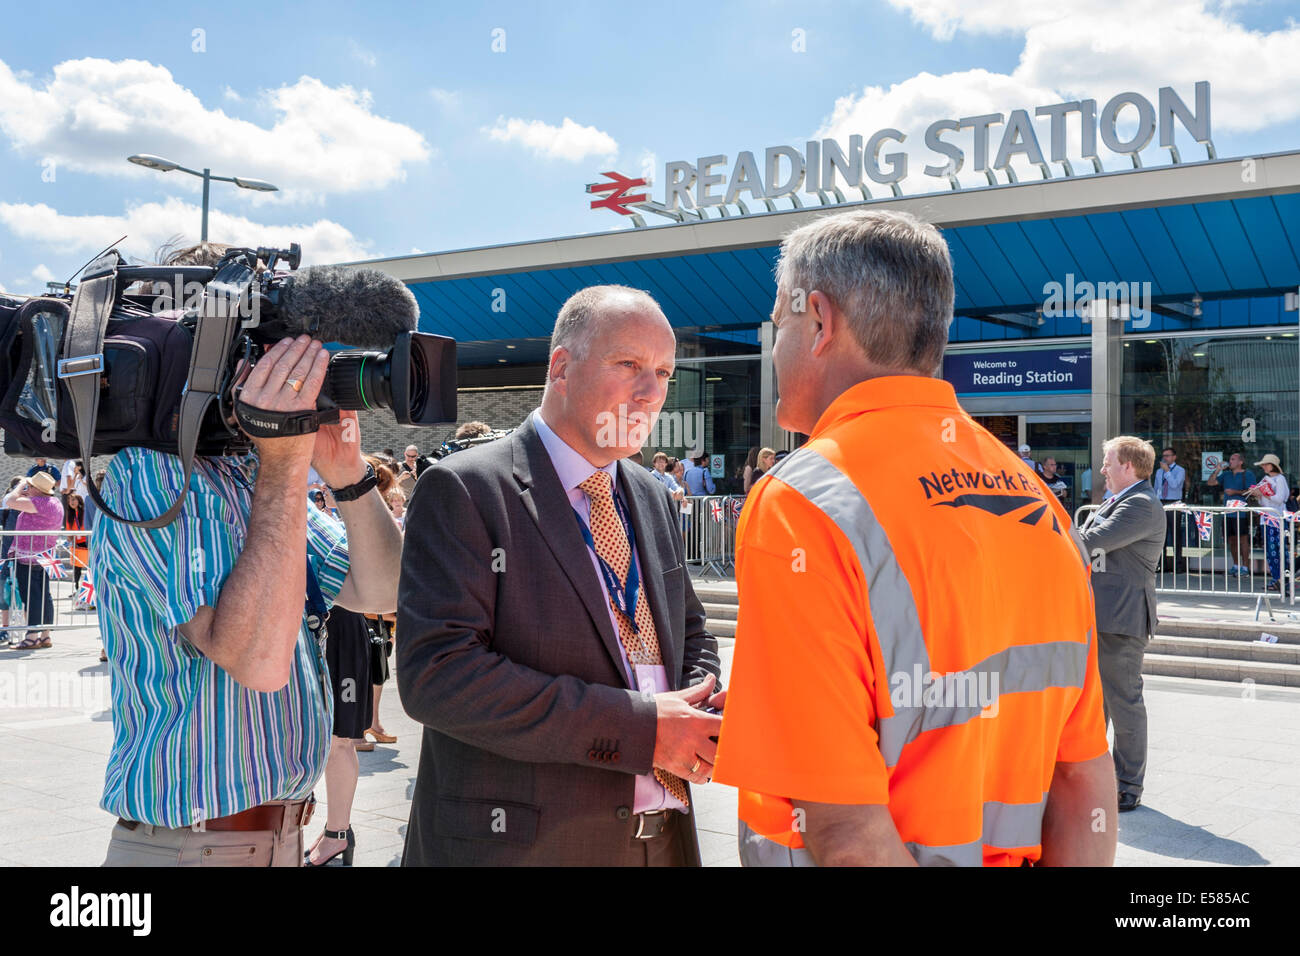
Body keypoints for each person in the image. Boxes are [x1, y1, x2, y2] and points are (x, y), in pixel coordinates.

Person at [712, 208, 1114, 867]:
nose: (773, 343)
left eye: (777, 323)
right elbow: (1081, 776)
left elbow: (843, 831)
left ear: (818, 320)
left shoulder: (805, 499)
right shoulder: (1037, 500)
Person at [93, 240, 402, 868]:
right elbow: (258, 661)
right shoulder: (150, 478)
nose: (279, 369)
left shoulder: (250, 477)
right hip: (194, 845)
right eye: (255, 350)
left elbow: (383, 591)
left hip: (277, 837)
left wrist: (348, 476)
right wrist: (285, 461)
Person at [398, 284, 723, 866]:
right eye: (629, 365)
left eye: (665, 374)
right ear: (561, 368)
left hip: (662, 842)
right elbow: (440, 676)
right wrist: (644, 728)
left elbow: (692, 630)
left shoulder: (649, 493)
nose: (651, 393)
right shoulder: (466, 488)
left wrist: (699, 705)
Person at [1078, 436, 1166, 813]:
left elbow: (1090, 541)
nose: (1102, 470)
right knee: (1096, 705)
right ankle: (1096, 778)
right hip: (1101, 616)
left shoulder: (1141, 505)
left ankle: (1128, 785)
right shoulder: (1121, 501)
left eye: (1108, 463)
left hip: (1121, 618)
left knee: (1124, 702)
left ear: (1128, 467)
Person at [3, 471, 64, 650]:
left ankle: (32, 636)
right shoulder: (55, 502)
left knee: (31, 597)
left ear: (36, 488)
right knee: (44, 595)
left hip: (29, 556)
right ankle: (45, 635)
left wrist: (21, 485)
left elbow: (8, 501)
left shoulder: (38, 503)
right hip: (44, 555)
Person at [1247, 454, 1290, 592]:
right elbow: (1263, 502)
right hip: (1267, 519)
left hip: (1277, 520)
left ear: (1273, 466)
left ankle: (1283, 580)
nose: (1263, 467)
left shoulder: (1280, 479)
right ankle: (1276, 579)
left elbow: (1279, 499)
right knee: (1271, 552)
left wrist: (1262, 493)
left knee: (1279, 551)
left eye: (1266, 464)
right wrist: (1258, 495)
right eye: (1263, 464)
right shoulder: (1265, 479)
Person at [1207, 452, 1255, 576]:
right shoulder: (1226, 474)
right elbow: (1210, 483)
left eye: (1233, 459)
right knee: (1232, 540)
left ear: (1240, 462)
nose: (1230, 461)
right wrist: (1217, 470)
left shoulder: (1247, 474)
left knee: (1243, 539)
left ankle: (1245, 567)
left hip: (1241, 512)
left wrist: (1235, 492)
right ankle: (1236, 565)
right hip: (1228, 512)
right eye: (1230, 459)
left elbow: (1252, 491)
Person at [1153, 447, 1187, 573]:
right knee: (1161, 534)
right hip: (1161, 502)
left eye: (1167, 456)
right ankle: (1161, 564)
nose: (1165, 458)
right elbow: (1156, 488)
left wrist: (1167, 472)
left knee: (1175, 534)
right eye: (1164, 456)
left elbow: (1175, 485)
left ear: (1174, 457)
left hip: (1174, 502)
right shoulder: (1158, 472)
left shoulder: (1180, 470)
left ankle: (1178, 565)